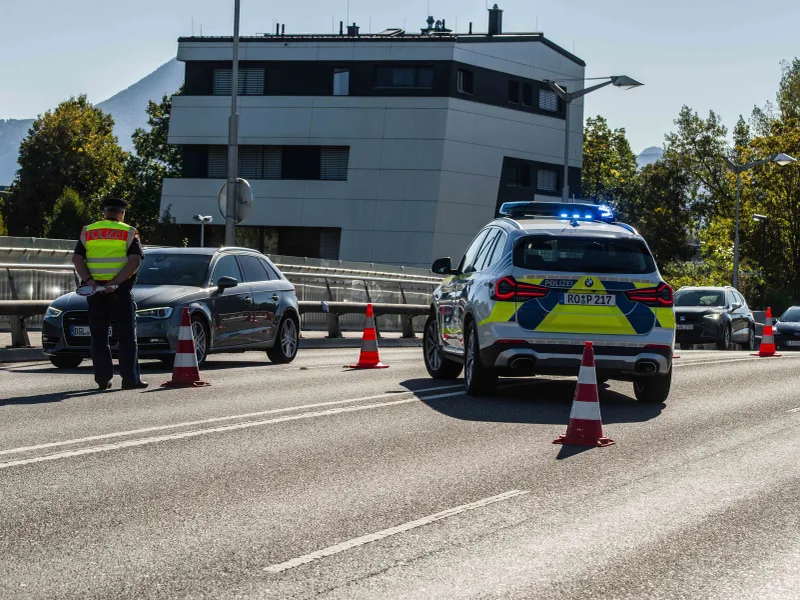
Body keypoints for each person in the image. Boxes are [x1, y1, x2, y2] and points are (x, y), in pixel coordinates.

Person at [71, 198, 148, 390]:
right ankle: (130, 379)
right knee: (127, 336)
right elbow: (135, 260)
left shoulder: (88, 231)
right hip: (119, 290)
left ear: (104, 213)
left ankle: (102, 380)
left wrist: (89, 281)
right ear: (122, 214)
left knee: (98, 336)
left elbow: (77, 259)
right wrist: (115, 283)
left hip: (95, 291)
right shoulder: (129, 231)